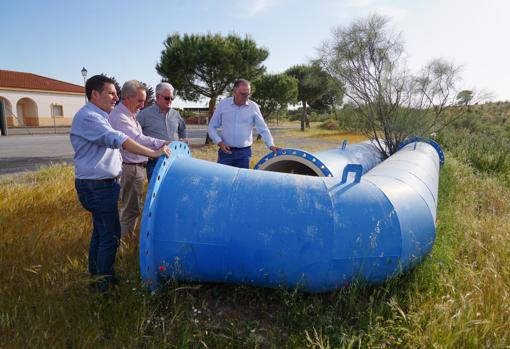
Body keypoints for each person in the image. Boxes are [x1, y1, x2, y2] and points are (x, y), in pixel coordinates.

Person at [70, 75, 170, 292]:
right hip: (97, 186)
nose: (116, 98)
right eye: (111, 93)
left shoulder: (100, 115)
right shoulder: (90, 117)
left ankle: (98, 276)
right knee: (111, 235)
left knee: (101, 233)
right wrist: (153, 153)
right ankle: (102, 286)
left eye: (116, 93)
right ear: (94, 94)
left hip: (102, 184)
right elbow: (119, 139)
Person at [109, 80, 169, 238]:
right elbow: (137, 139)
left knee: (132, 209)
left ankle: (124, 242)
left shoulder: (129, 115)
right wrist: (162, 143)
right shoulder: (120, 117)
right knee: (130, 210)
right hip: (131, 168)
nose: (142, 105)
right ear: (127, 98)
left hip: (135, 168)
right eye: (140, 101)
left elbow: (139, 137)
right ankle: (123, 245)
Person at [207, 79, 279, 168]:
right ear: (234, 91)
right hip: (225, 152)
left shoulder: (253, 107)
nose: (246, 97)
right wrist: (219, 142)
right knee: (223, 180)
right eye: (243, 94)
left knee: (242, 180)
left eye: (248, 94)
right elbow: (211, 127)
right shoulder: (223, 105)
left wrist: (271, 145)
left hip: (244, 154)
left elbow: (263, 128)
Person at [137, 82, 187, 180]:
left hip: (175, 160)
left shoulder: (176, 114)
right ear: (157, 96)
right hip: (154, 161)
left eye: (172, 98)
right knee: (157, 190)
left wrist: (183, 140)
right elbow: (136, 135)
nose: (170, 101)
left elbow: (183, 129)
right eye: (167, 98)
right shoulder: (144, 114)